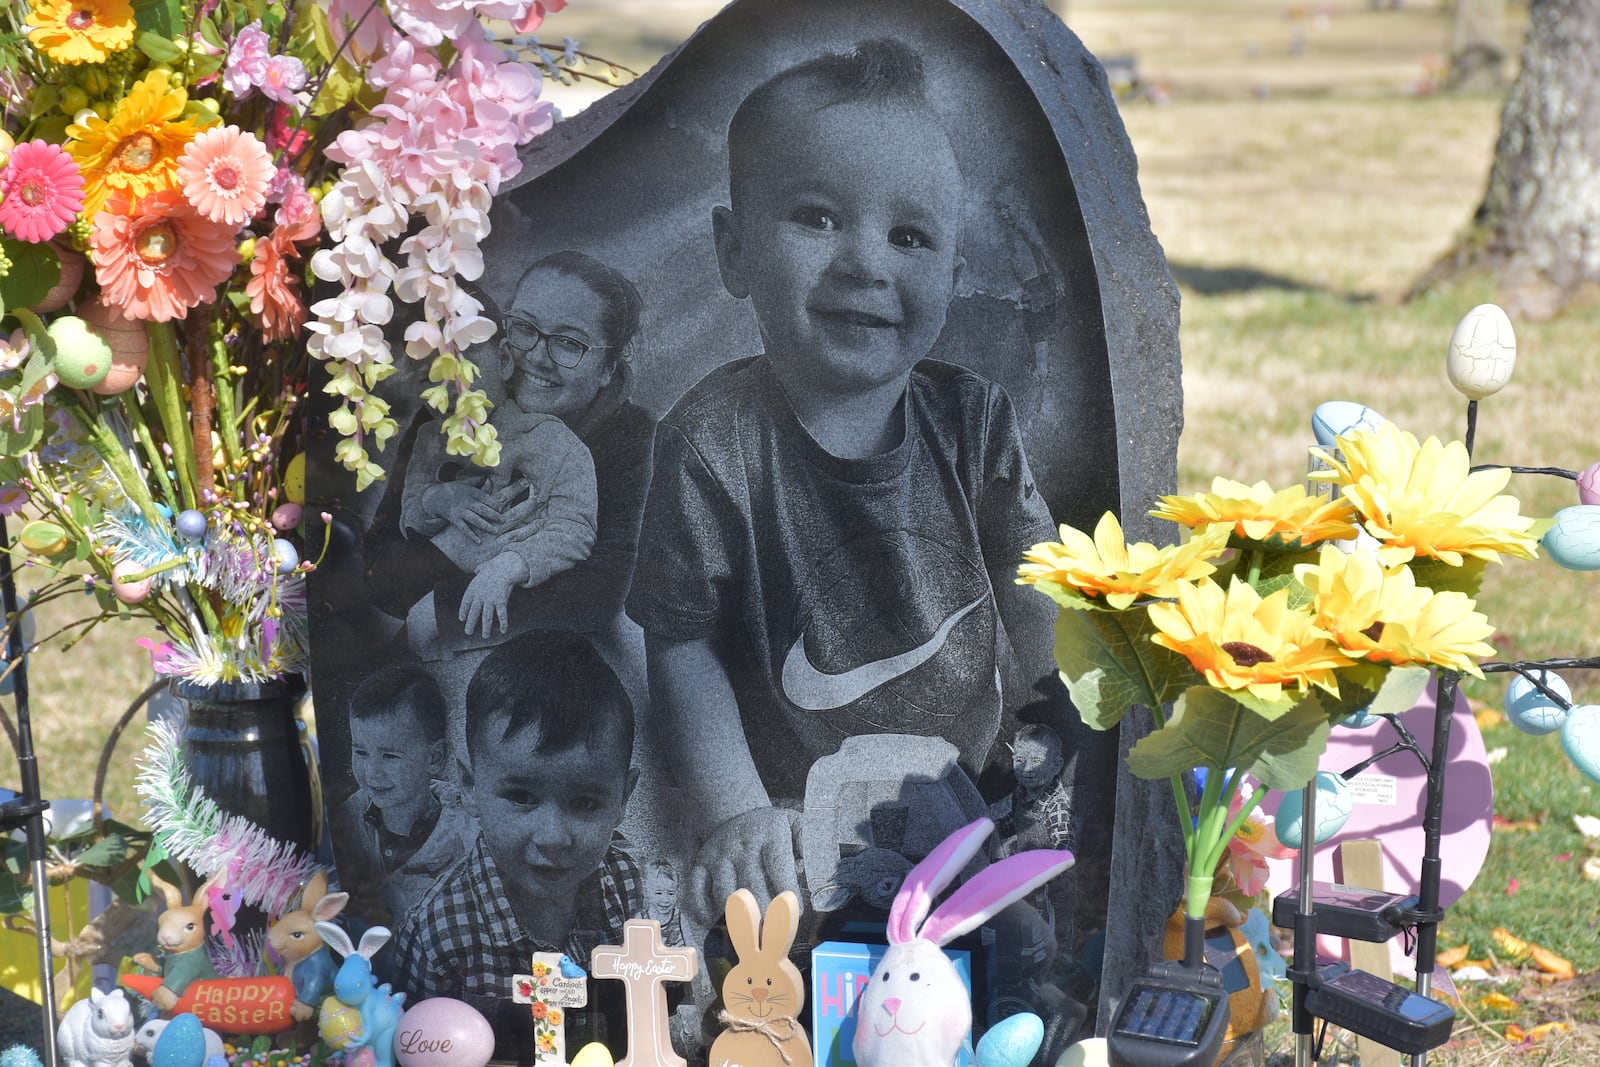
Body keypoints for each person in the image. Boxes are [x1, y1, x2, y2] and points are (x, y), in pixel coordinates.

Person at [625, 38, 1058, 924]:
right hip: (791, 821)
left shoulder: (975, 423)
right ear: (735, 248)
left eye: (908, 236)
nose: (867, 262)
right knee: (767, 965)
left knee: (1009, 954)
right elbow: (681, 643)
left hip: (966, 801)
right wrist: (736, 809)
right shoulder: (713, 444)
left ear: (954, 275)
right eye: (818, 218)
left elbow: (1041, 595)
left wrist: (1060, 738)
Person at [366, 250, 652, 649]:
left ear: (608, 368)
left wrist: (444, 603)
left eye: (570, 343)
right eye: (524, 328)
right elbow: (382, 576)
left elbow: (606, 591)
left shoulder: (637, 441)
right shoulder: (453, 414)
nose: (537, 356)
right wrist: (441, 511)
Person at [391, 628, 643, 1057]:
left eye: (585, 802)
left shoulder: (628, 884)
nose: (553, 836)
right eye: (522, 797)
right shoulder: (437, 938)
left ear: (623, 797)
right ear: (469, 786)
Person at [329, 663, 476, 926]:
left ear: (435, 758)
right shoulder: (345, 819)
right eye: (361, 752)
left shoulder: (469, 833)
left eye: (390, 756)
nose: (372, 773)